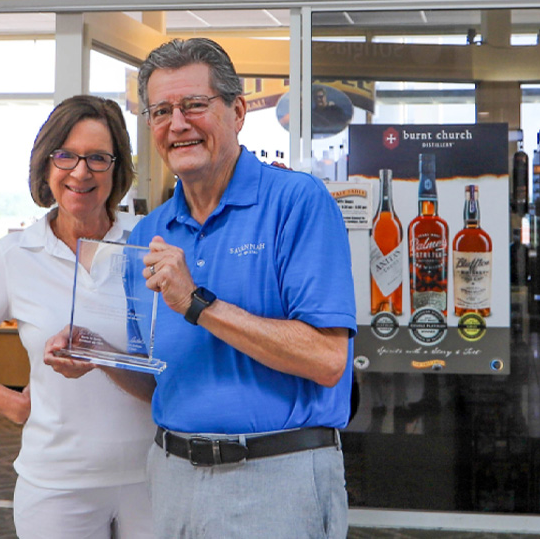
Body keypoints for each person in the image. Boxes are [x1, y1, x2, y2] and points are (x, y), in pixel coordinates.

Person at [50, 38, 356, 537]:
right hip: (173, 478)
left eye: (194, 105)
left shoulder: (297, 203)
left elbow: (326, 359)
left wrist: (197, 303)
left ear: (237, 112)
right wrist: (99, 354)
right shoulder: (150, 234)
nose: (177, 124)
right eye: (161, 111)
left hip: (277, 477)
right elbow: (158, 378)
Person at [0, 95, 155, 539]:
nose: (80, 172)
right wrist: (14, 406)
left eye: (98, 158)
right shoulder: (15, 254)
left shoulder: (149, 243)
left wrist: (103, 355)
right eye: (65, 155)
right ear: (46, 164)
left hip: (154, 474)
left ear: (117, 170)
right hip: (56, 483)